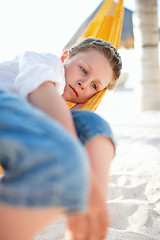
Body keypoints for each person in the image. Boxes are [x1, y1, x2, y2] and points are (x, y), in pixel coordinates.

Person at [0, 37, 122, 240]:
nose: (84, 84)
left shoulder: (57, 106)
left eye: (94, 86)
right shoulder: (47, 63)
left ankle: (89, 216)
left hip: (22, 128)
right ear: (66, 56)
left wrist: (80, 109)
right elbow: (43, 96)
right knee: (67, 154)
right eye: (83, 70)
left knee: (95, 125)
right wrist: (81, 167)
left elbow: (59, 117)